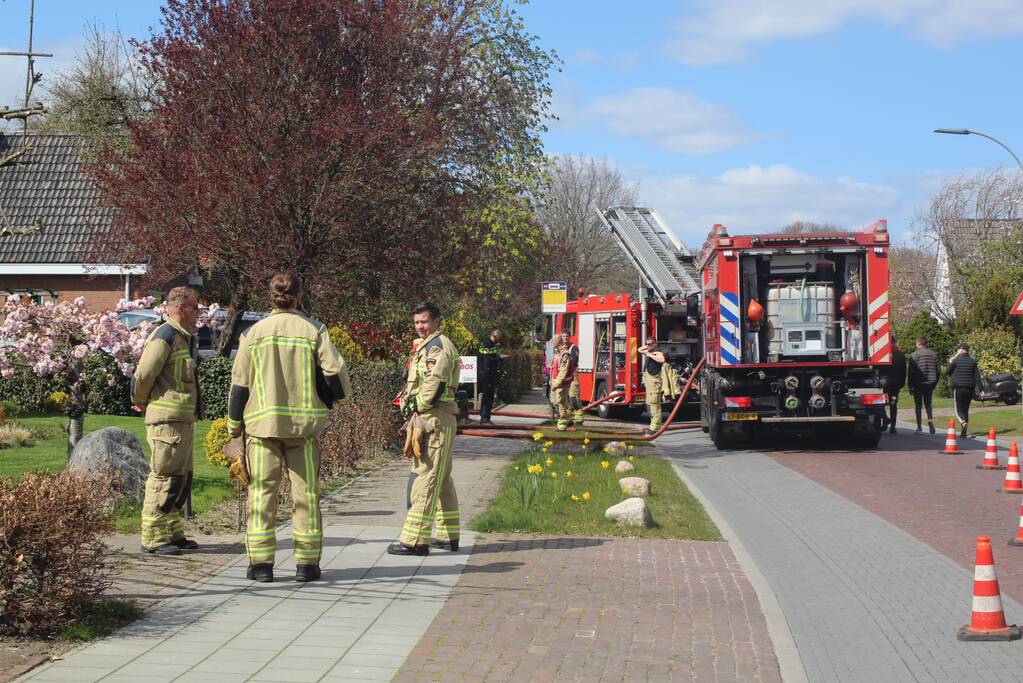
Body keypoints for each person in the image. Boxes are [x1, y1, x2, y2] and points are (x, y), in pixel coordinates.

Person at [227, 272, 350, 583]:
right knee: (306, 496)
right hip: (304, 431)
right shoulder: (314, 330)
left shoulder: (254, 334)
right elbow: (335, 374)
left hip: (261, 429)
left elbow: (239, 386)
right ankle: (307, 565)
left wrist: (233, 428)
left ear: (271, 295)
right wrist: (338, 401)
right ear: (299, 295)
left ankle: (261, 566)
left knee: (261, 497)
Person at [132, 286, 202, 556]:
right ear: (180, 308)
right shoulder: (166, 336)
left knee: (180, 479)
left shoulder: (184, 337)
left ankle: (172, 531)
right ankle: (153, 536)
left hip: (181, 419)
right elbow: (145, 373)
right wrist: (140, 399)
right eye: (195, 307)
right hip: (166, 421)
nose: (199, 313)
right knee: (163, 477)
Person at [389, 302, 461, 556]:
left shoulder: (437, 347)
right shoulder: (427, 345)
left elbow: (434, 384)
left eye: (425, 322)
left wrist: (414, 407)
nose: (420, 326)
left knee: (426, 477)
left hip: (435, 419)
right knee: (441, 479)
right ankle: (447, 535)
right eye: (417, 322)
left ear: (437, 321)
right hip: (434, 418)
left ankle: (415, 541)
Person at [948, 342, 983, 438]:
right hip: (970, 388)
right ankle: (964, 432)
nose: (957, 351)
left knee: (958, 409)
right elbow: (977, 376)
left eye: (958, 350)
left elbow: (948, 372)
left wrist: (951, 362)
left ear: (961, 350)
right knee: (965, 409)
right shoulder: (973, 361)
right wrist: (981, 389)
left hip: (958, 387)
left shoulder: (955, 361)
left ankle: (963, 422)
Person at [908, 336, 938, 434]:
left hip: (918, 383)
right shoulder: (934, 355)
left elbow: (910, 372)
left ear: (918, 343)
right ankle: (930, 420)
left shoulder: (914, 355)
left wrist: (910, 386)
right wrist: (934, 383)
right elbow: (938, 371)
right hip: (929, 383)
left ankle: (919, 427)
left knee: (918, 405)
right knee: (928, 404)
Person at [476, 329, 507, 425]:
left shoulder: (491, 345)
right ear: (495, 336)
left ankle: (486, 417)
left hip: (490, 374)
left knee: (489, 396)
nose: (500, 340)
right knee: (487, 396)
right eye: (499, 338)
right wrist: (499, 358)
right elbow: (488, 359)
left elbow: (491, 356)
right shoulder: (486, 344)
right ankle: (484, 418)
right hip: (486, 374)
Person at [638, 338, 665, 434]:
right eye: (647, 344)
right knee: (650, 404)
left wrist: (650, 354)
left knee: (654, 405)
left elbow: (662, 360)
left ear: (655, 344)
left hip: (654, 382)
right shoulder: (650, 350)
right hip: (649, 382)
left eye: (650, 344)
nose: (648, 346)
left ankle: (654, 428)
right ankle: (654, 426)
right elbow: (639, 349)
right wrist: (648, 347)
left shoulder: (658, 352)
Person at [549, 335, 575, 431]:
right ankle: (568, 420)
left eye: (553, 342)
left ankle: (562, 425)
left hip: (562, 384)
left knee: (561, 403)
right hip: (559, 384)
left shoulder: (565, 354)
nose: (551, 343)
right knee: (558, 402)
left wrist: (556, 384)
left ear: (558, 342)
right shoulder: (559, 353)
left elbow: (563, 371)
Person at [882, 339, 907, 434]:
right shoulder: (900, 354)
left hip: (884, 384)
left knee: (881, 404)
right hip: (895, 385)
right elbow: (904, 370)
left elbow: (878, 368)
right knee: (893, 405)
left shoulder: (882, 353)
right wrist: (902, 383)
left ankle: (884, 420)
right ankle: (893, 426)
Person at [562, 332, 583, 426]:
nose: (565, 338)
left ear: (569, 337)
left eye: (567, 336)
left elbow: (574, 360)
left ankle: (579, 419)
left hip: (572, 376)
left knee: (574, 398)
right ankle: (568, 419)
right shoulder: (560, 348)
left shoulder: (573, 348)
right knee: (565, 399)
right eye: (563, 336)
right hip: (563, 377)